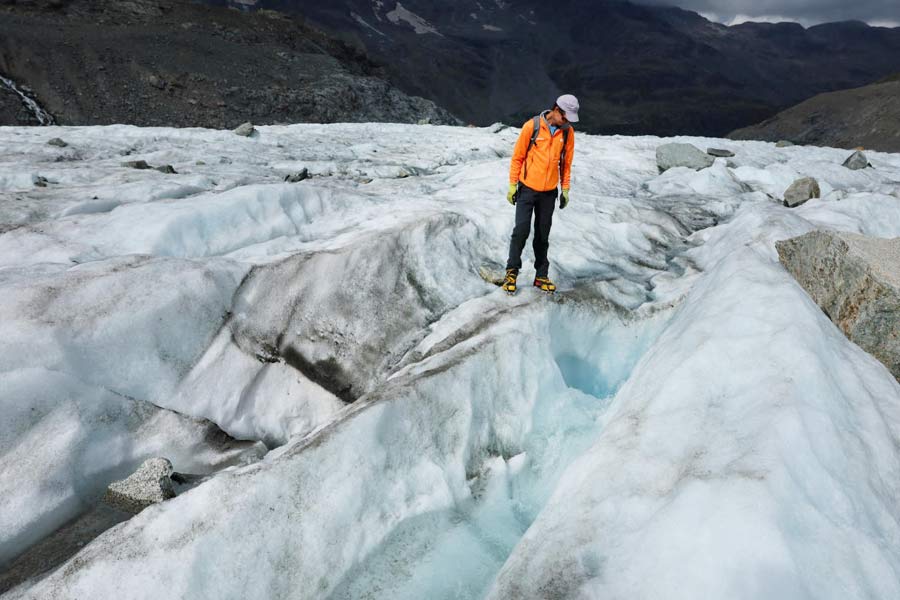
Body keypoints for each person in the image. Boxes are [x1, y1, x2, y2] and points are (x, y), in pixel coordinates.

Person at [502, 94, 578, 294]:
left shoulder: (568, 133)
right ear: (556, 109)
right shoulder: (532, 126)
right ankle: (511, 272)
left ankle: (541, 276)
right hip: (527, 189)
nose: (567, 121)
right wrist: (512, 185)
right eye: (565, 117)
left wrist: (565, 189)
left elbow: (566, 165)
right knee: (521, 231)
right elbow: (517, 157)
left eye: (570, 118)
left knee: (543, 235)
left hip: (549, 194)